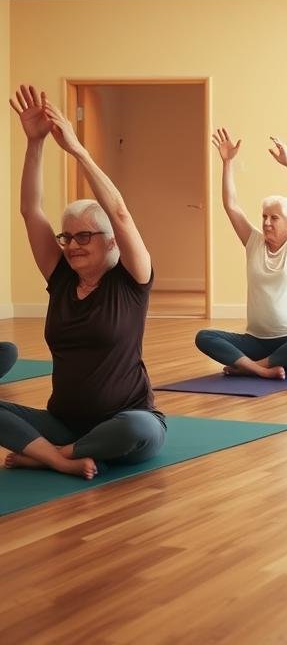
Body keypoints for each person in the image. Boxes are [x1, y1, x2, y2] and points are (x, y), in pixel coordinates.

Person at [1, 85, 165, 479]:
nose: (72, 245)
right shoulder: (60, 278)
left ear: (111, 241)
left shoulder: (130, 281)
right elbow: (30, 210)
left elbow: (120, 212)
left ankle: (47, 454)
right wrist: (34, 143)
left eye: (84, 236)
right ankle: (60, 458)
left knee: (138, 429)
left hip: (125, 419)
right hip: (64, 421)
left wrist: (77, 150)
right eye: (67, 236)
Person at [195, 128, 287, 379]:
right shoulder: (253, 242)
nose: (266, 222)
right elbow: (230, 205)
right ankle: (260, 369)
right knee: (204, 337)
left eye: (274, 218)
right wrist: (227, 162)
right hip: (256, 341)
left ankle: (253, 367)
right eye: (264, 217)